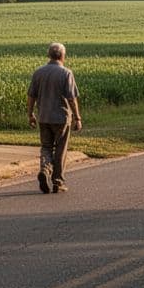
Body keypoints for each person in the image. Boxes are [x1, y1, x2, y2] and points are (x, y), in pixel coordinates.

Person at [27, 42, 82, 194]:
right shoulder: (66, 73)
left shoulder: (38, 72)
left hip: (43, 116)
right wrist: (77, 117)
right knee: (60, 149)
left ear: (49, 55)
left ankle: (45, 170)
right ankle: (58, 181)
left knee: (46, 147)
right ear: (63, 56)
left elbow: (31, 96)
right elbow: (71, 98)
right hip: (61, 117)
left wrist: (30, 114)